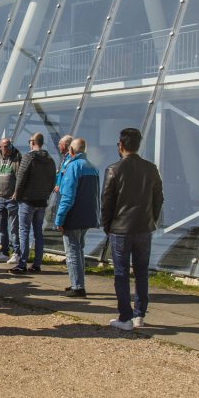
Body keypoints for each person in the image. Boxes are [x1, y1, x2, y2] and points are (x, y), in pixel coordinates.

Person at [103, 128, 164, 331]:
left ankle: (125, 317)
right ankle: (139, 315)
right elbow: (158, 199)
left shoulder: (114, 169)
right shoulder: (151, 169)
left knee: (121, 274)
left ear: (120, 145)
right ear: (138, 146)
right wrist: (150, 219)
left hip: (120, 229)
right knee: (141, 273)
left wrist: (107, 225)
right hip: (143, 228)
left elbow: (107, 202)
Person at [53, 138, 100, 298]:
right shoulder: (92, 167)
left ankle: (78, 286)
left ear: (71, 151)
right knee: (79, 249)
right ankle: (77, 281)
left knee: (72, 251)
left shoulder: (73, 166)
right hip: (87, 215)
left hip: (73, 216)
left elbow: (68, 196)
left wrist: (59, 219)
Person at [10, 133, 57, 275]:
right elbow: (52, 179)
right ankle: (37, 264)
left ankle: (22, 263)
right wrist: (46, 193)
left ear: (32, 142)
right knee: (38, 233)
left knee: (24, 231)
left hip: (27, 200)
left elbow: (21, 178)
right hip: (42, 201)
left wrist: (16, 195)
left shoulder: (28, 157)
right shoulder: (50, 160)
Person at [0, 137, 22, 265]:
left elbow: (21, 177)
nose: (8, 148)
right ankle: (3, 252)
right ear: (0, 147)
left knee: (14, 227)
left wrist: (17, 193)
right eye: (5, 146)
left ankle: (16, 253)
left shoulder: (17, 159)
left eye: (9, 146)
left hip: (11, 199)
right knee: (2, 227)